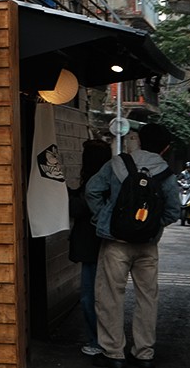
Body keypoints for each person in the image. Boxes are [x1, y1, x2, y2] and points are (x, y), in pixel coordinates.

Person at [85, 123, 180, 368]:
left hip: (115, 242)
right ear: (166, 148)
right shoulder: (167, 174)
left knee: (109, 296)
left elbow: (93, 190)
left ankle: (113, 353)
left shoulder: (117, 163)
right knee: (147, 298)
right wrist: (151, 226)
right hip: (147, 246)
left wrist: (103, 218)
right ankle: (144, 353)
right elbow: (173, 211)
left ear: (138, 140)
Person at [68, 139, 112, 357]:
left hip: (93, 246)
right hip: (104, 245)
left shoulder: (96, 182)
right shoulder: (109, 178)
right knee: (103, 295)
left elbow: (79, 207)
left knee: (91, 296)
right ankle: (104, 341)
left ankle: (99, 342)